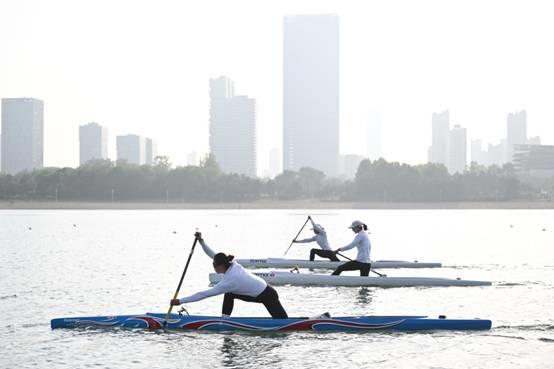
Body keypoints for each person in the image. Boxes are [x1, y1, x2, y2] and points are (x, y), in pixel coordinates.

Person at [170, 232, 288, 318]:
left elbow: (204, 294)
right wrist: (201, 241)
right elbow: (212, 254)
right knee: (230, 294)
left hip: (267, 295)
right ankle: (225, 320)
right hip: (262, 290)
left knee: (283, 321)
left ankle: (225, 322)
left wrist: (181, 301)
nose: (213, 265)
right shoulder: (230, 264)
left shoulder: (230, 280)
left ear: (221, 266)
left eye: (214, 264)